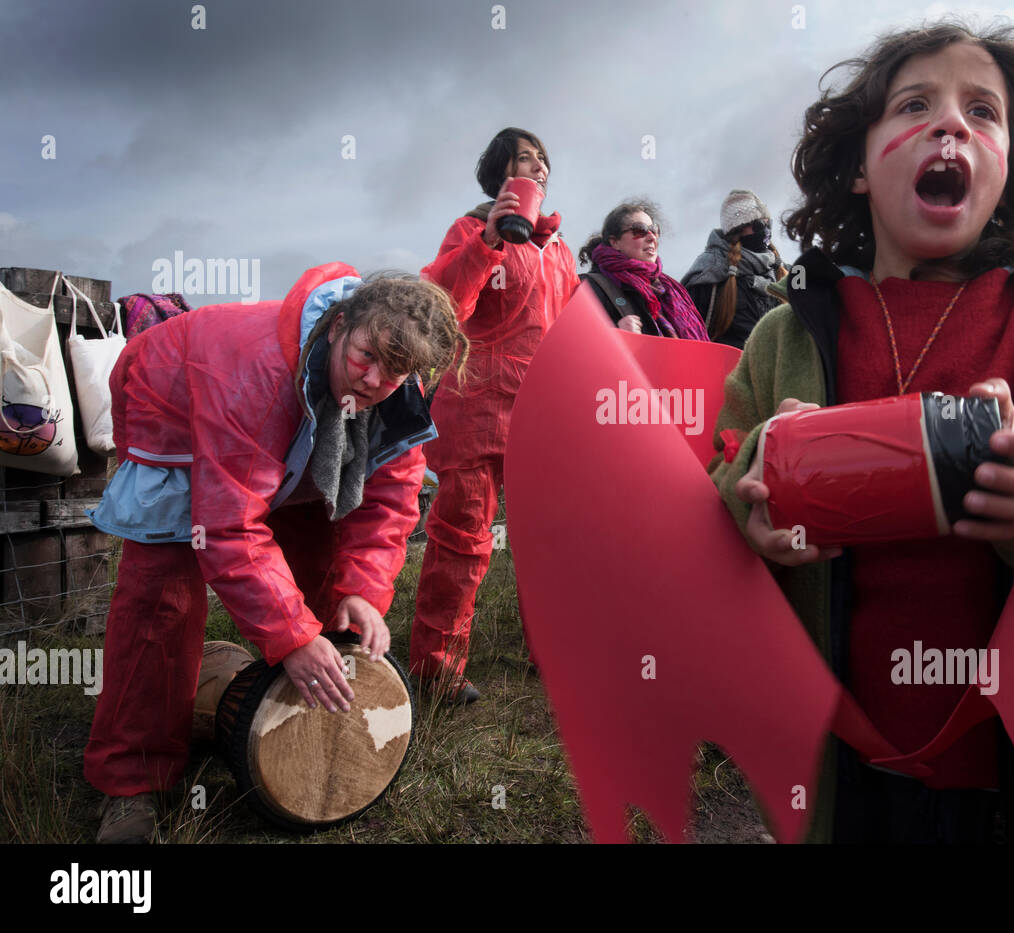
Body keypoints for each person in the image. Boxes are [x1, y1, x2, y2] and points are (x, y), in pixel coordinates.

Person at [710, 21, 1014, 843]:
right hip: (843, 782)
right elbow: (713, 487)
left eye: (983, 113)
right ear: (858, 170)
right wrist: (750, 499)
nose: (952, 124)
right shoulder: (785, 337)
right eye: (915, 104)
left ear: (1007, 167)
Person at [84, 265, 467, 843]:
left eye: (394, 372)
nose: (372, 379)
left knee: (322, 573)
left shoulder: (391, 388)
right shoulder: (253, 374)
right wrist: (289, 636)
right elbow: (228, 525)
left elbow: (389, 501)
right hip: (175, 402)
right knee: (162, 595)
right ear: (339, 327)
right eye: (365, 356)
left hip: (291, 427)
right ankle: (132, 781)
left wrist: (363, 590)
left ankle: (294, 730)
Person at [412, 127, 578, 702]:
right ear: (501, 174)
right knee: (463, 538)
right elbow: (442, 304)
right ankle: (437, 669)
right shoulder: (468, 228)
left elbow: (572, 327)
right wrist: (486, 240)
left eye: (543, 159)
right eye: (524, 158)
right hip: (476, 405)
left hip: (542, 413)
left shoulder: (557, 247)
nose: (538, 167)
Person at [577, 200, 709, 340]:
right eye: (640, 230)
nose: (652, 237)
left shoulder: (670, 288)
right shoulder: (590, 286)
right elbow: (571, 344)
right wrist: (616, 334)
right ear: (615, 242)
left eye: (654, 230)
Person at [681, 190, 789, 348]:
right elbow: (687, 331)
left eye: (767, 223)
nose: (765, 230)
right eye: (758, 225)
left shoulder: (785, 270)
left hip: (778, 367)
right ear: (738, 231)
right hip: (729, 368)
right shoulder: (709, 274)